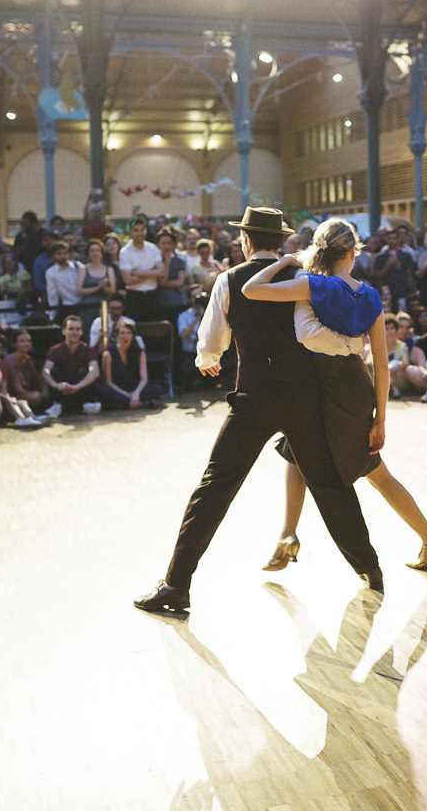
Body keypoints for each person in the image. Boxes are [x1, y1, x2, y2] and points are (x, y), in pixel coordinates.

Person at [134, 208, 386, 614]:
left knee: (215, 488)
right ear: (281, 241)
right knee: (330, 485)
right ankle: (370, 569)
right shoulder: (307, 280)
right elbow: (327, 334)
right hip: (304, 397)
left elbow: (211, 343)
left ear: (246, 240)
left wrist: (206, 359)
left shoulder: (230, 280)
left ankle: (176, 584)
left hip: (253, 396)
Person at [238, 216, 427, 575]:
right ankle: (288, 535)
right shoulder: (369, 296)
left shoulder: (315, 287)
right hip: (353, 387)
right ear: (353, 251)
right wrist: (381, 418)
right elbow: (381, 365)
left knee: (371, 471)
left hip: (315, 383)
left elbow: (250, 290)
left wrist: (285, 260)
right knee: (299, 455)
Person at [42, 316, 102, 416]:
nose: (74, 332)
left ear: (81, 332)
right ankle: (83, 407)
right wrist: (55, 385)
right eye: (71, 329)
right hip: (62, 386)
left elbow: (95, 371)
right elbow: (45, 371)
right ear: (63, 331)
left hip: (79, 386)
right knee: (54, 371)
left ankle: (61, 406)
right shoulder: (54, 350)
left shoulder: (88, 350)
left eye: (77, 329)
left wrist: (77, 386)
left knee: (85, 371)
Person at [99, 317, 160, 410]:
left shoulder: (140, 352)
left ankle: (125, 405)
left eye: (128, 333)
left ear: (132, 335)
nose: (125, 336)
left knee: (157, 388)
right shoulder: (108, 354)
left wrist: (136, 394)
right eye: (122, 333)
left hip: (134, 388)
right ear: (117, 336)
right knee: (103, 391)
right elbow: (109, 382)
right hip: (118, 390)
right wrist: (128, 395)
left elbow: (144, 379)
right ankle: (142, 404)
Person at [118, 217, 164, 323]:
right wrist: (152, 273)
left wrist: (139, 273)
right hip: (134, 297)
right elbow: (128, 280)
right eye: (136, 230)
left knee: (154, 331)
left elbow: (162, 272)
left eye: (142, 230)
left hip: (153, 296)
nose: (139, 233)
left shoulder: (153, 248)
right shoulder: (125, 252)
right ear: (130, 232)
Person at [1, 329, 50, 425]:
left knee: (45, 394)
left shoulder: (28, 359)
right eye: (22, 341)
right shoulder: (10, 360)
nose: (26, 344)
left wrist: (44, 390)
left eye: (28, 341)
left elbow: (37, 378)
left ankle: (33, 416)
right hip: (12, 397)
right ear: (14, 344)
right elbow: (17, 389)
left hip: (26, 394)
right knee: (37, 396)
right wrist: (38, 395)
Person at [76, 239, 116, 334]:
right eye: (92, 250)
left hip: (104, 307)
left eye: (97, 250)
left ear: (102, 253)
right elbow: (78, 291)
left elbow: (113, 290)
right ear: (88, 253)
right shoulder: (83, 269)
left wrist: (104, 287)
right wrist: (97, 287)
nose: (95, 253)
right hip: (87, 308)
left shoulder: (109, 269)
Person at [155, 229, 190, 320]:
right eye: (164, 243)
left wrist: (163, 283)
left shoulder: (180, 261)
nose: (167, 246)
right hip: (159, 303)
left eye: (169, 243)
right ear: (158, 244)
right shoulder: (155, 261)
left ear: (174, 245)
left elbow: (179, 282)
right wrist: (167, 263)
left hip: (177, 303)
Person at [44, 241, 81, 319]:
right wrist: (52, 316)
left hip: (84, 305)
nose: (62, 256)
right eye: (59, 253)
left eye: (65, 253)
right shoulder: (51, 272)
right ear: (53, 255)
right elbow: (53, 295)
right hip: (68, 308)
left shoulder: (78, 266)